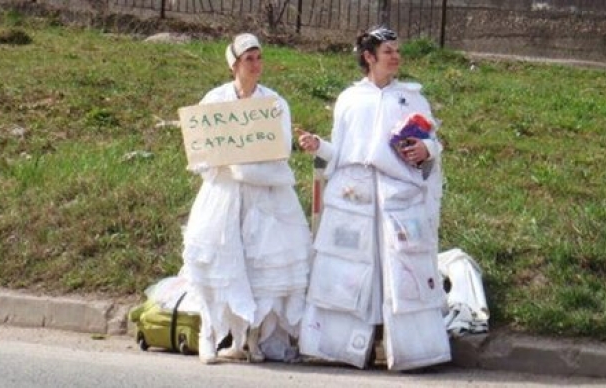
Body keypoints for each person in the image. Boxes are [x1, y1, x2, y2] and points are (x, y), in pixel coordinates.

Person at [295, 26, 450, 371]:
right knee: (348, 269)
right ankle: (338, 346)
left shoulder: (412, 99)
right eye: (388, 52)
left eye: (397, 50)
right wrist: (319, 146)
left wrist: (426, 148)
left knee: (403, 268)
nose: (396, 57)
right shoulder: (349, 100)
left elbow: (432, 148)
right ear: (369, 58)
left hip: (399, 196)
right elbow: (339, 153)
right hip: (354, 196)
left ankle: (409, 348)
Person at [181, 33, 312, 365]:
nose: (256, 65)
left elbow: (279, 148)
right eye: (249, 59)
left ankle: (252, 339)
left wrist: (249, 166)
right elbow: (202, 148)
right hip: (223, 193)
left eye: (259, 58)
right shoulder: (216, 100)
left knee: (261, 263)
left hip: (264, 195)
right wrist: (226, 162)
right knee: (216, 261)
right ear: (234, 65)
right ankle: (208, 334)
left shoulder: (274, 103)